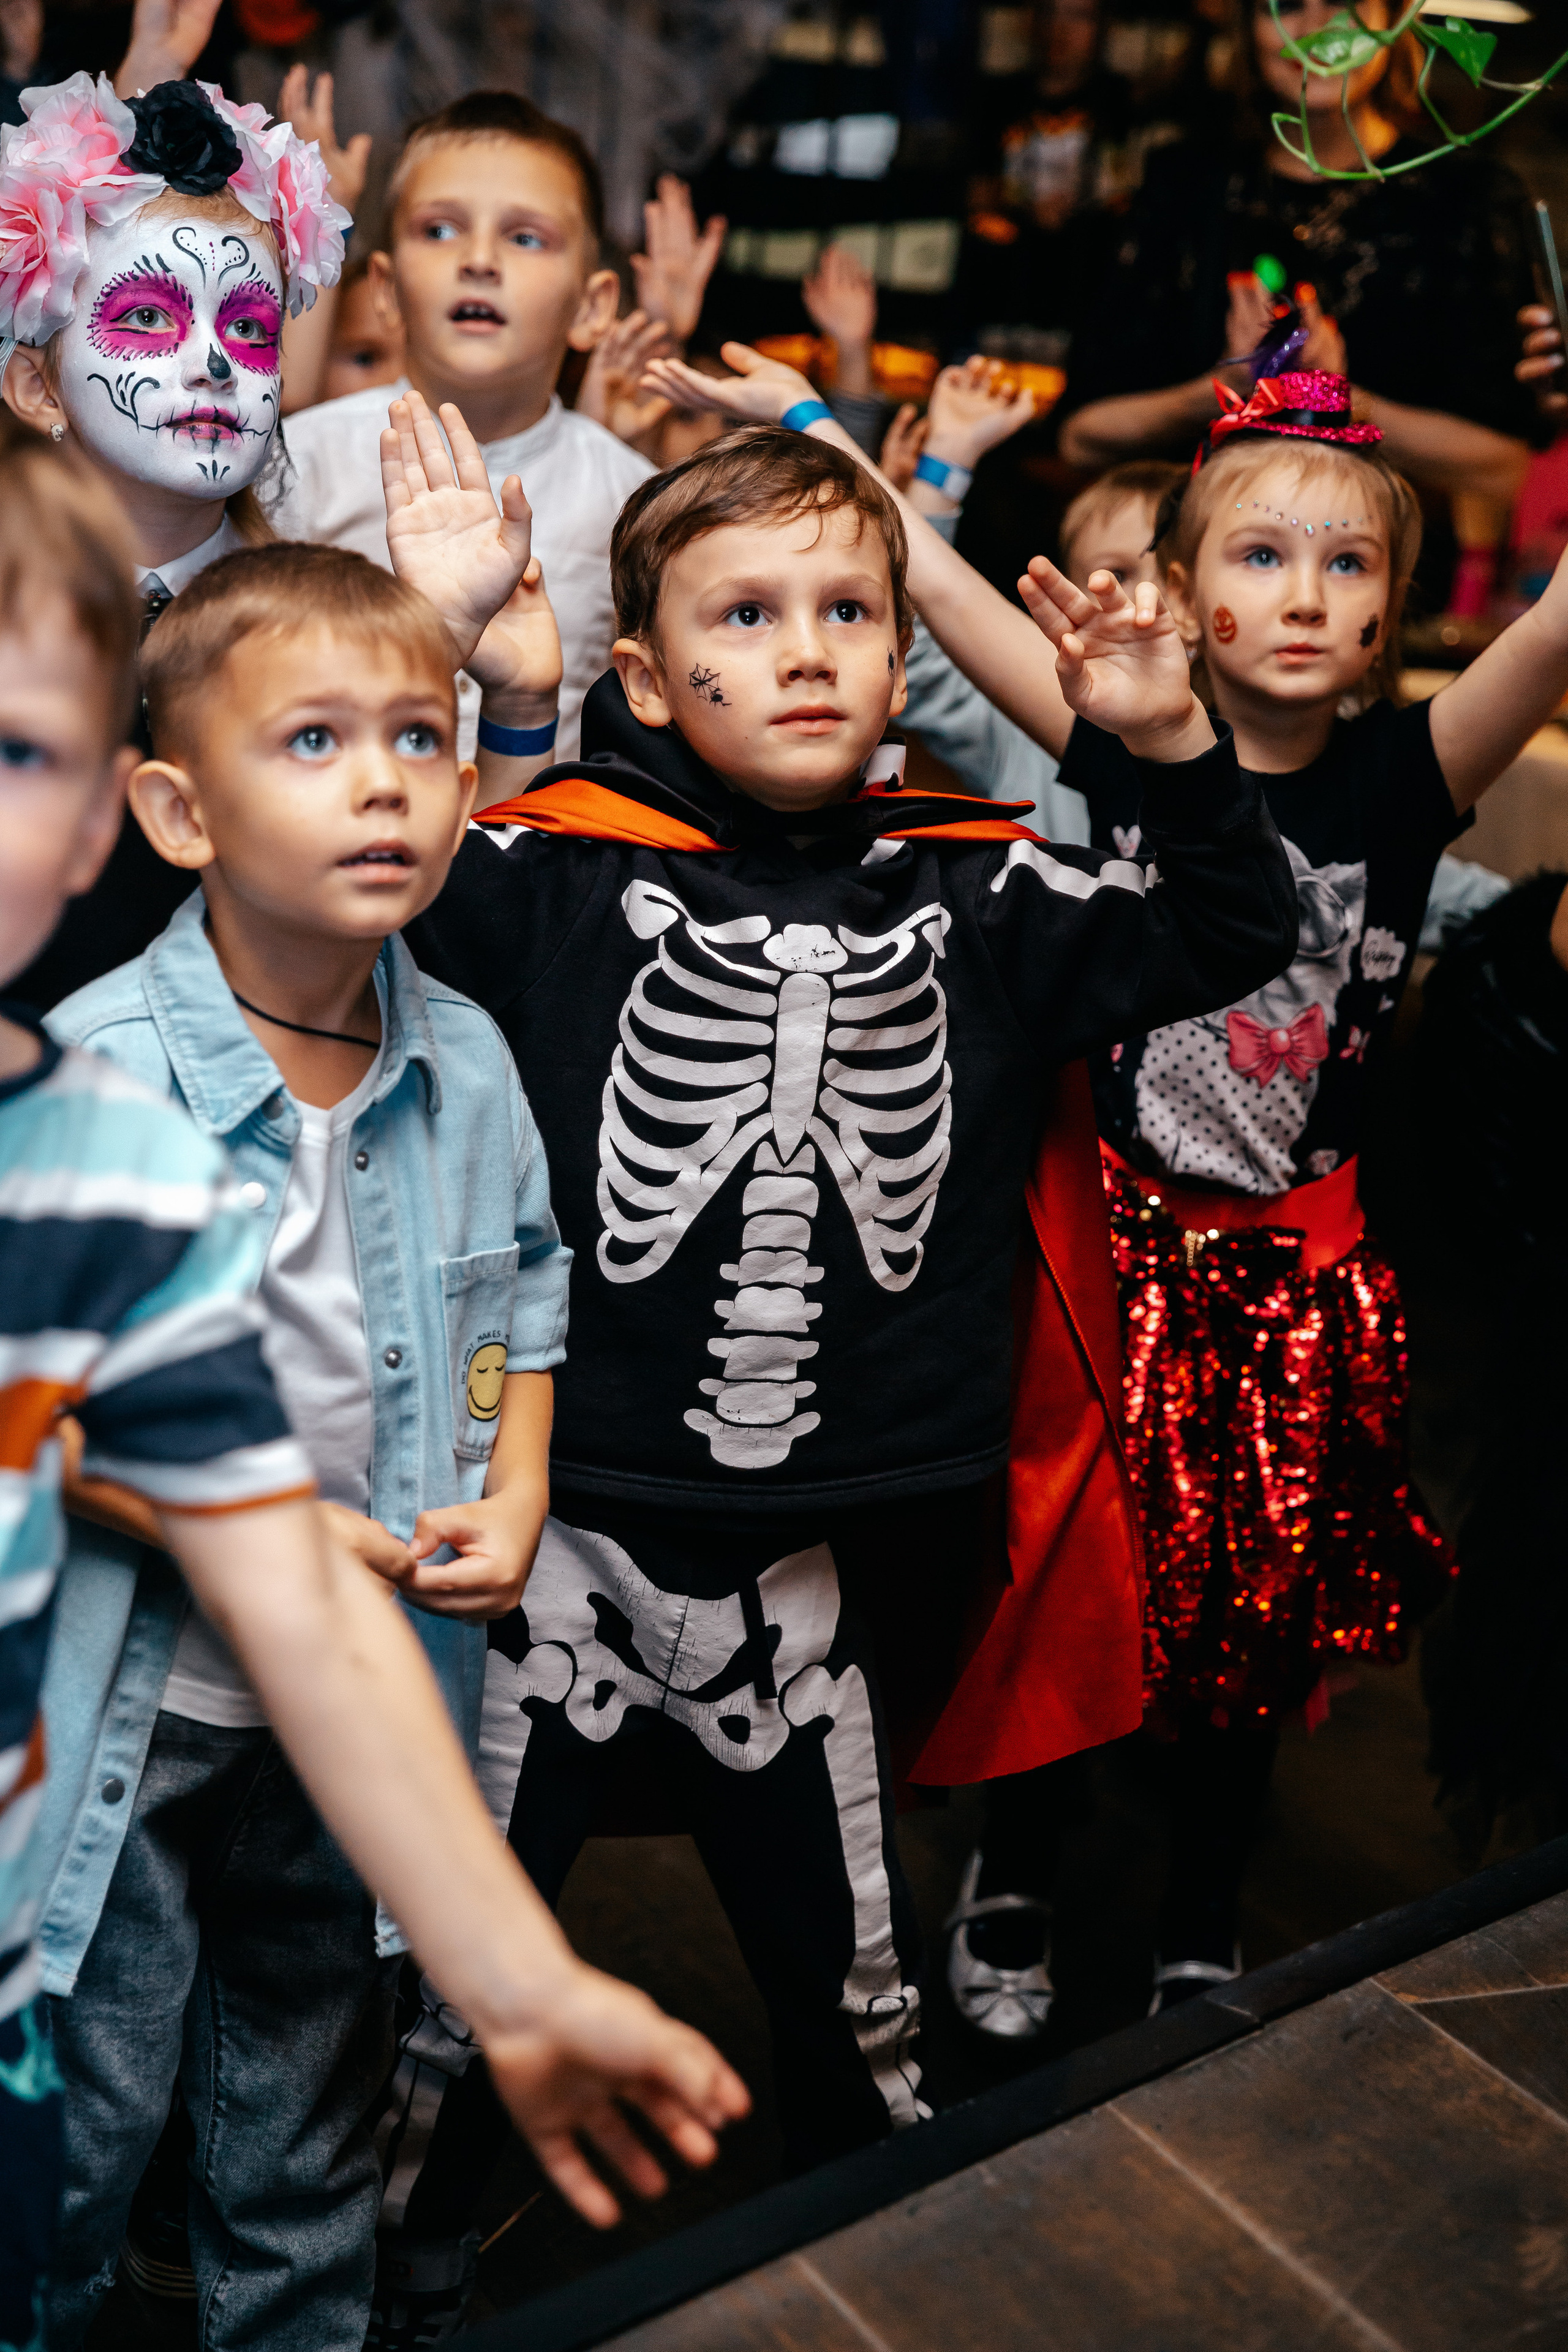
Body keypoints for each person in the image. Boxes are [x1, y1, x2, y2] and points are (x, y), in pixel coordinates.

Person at [361, 374, 1297, 2319]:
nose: (804, 651)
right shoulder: (549, 871)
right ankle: (391, 2258)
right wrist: (438, 641)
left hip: (819, 1566)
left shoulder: (976, 883)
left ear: (899, 657)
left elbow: (1223, 934)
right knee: (449, 1975)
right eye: (744, 614)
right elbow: (358, 886)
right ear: (644, 670)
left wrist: (1166, 740)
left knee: (854, 1980)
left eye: (847, 611)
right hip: (557, 1525)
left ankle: (876, 2267)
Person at [649, 339, 1568, 2010]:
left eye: (1348, 564)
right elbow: (919, 563)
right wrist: (803, 422)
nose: (1303, 595)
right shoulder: (1113, 739)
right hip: (1109, 1271)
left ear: (1392, 607)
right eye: (1260, 556)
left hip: (1292, 1291)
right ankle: (1012, 1870)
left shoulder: (1409, 780)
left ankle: (1203, 1917)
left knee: (1252, 1622)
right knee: (1068, 1588)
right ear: (1188, 587)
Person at [0, 418, 747, 2352]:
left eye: (420, 740)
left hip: (358, 1693)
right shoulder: (105, 1081)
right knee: (80, 2121)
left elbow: (520, 1292)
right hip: (126, 1709)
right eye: (315, 744)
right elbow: (67, 1429)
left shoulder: (472, 1059)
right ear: (167, 814)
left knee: (305, 2099)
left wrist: (507, 1475)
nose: (391, 786)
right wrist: (260, 1523)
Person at [0, 67, 353, 1009]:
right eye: (149, 318)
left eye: (248, 328)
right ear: (38, 390)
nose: (210, 362)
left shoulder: (311, 627)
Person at [270, 89, 650, 763]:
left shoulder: (636, 499)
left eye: (525, 237)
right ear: (385, 290)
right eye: (439, 230)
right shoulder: (297, 461)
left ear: (592, 307)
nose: (479, 259)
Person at [1055, 0, 1537, 521]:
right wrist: (1224, 389)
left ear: (1392, 24)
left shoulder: (1468, 199)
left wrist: (1344, 400)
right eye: (1283, 6)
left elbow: (1507, 468)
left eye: (1344, 6)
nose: (1313, 33)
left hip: (1379, 574)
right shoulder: (1184, 184)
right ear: (1247, 29)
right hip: (1184, 564)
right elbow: (1080, 439)